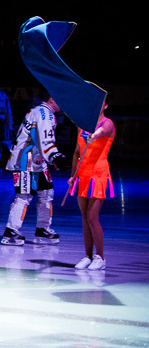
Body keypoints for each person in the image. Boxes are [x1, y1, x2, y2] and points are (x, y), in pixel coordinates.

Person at [0, 92, 65, 245]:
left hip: (37, 160)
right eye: (60, 100)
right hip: (25, 160)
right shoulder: (44, 114)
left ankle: (42, 229)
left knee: (46, 193)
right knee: (24, 195)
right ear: (52, 99)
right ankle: (11, 232)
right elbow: (45, 140)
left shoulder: (40, 111)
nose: (63, 104)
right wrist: (55, 157)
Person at [69, 100, 115, 270]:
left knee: (92, 217)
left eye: (101, 102)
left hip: (99, 175)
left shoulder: (107, 123)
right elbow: (76, 152)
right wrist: (72, 175)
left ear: (105, 105)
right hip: (83, 175)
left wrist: (95, 135)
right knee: (84, 218)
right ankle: (87, 256)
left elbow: (102, 131)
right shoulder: (82, 124)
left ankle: (100, 257)